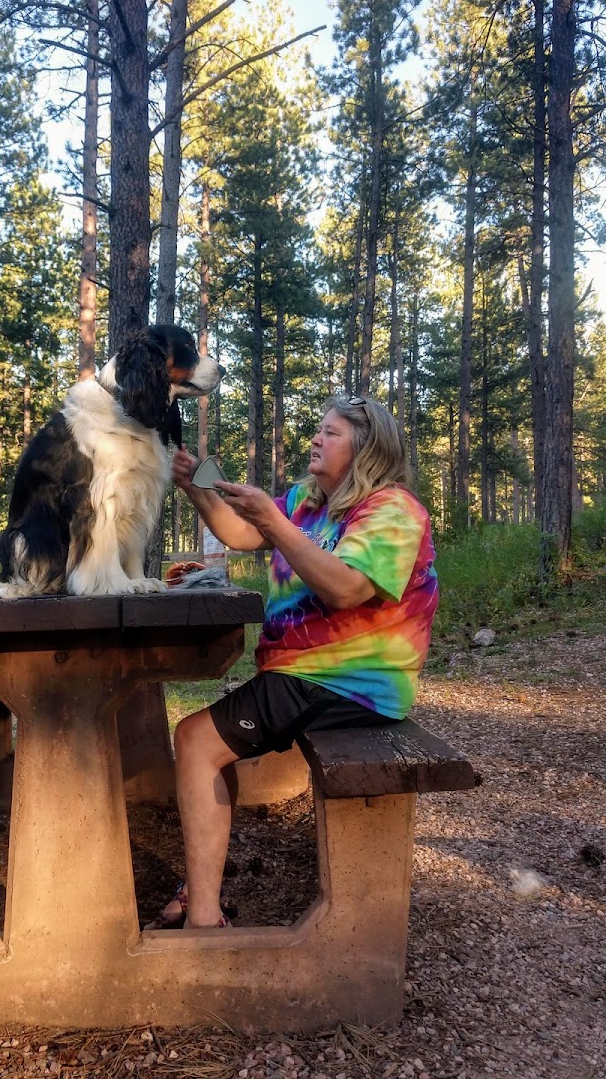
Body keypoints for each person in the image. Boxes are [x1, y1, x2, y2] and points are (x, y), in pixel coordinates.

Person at [148, 394, 439, 930]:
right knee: (207, 744)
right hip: (305, 672)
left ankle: (204, 920)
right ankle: (200, 890)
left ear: (366, 449)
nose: (316, 439)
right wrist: (196, 484)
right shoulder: (310, 498)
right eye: (318, 430)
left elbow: (347, 589)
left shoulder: (391, 509)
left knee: (195, 742)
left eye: (331, 433)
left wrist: (273, 522)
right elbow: (241, 533)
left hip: (348, 680)